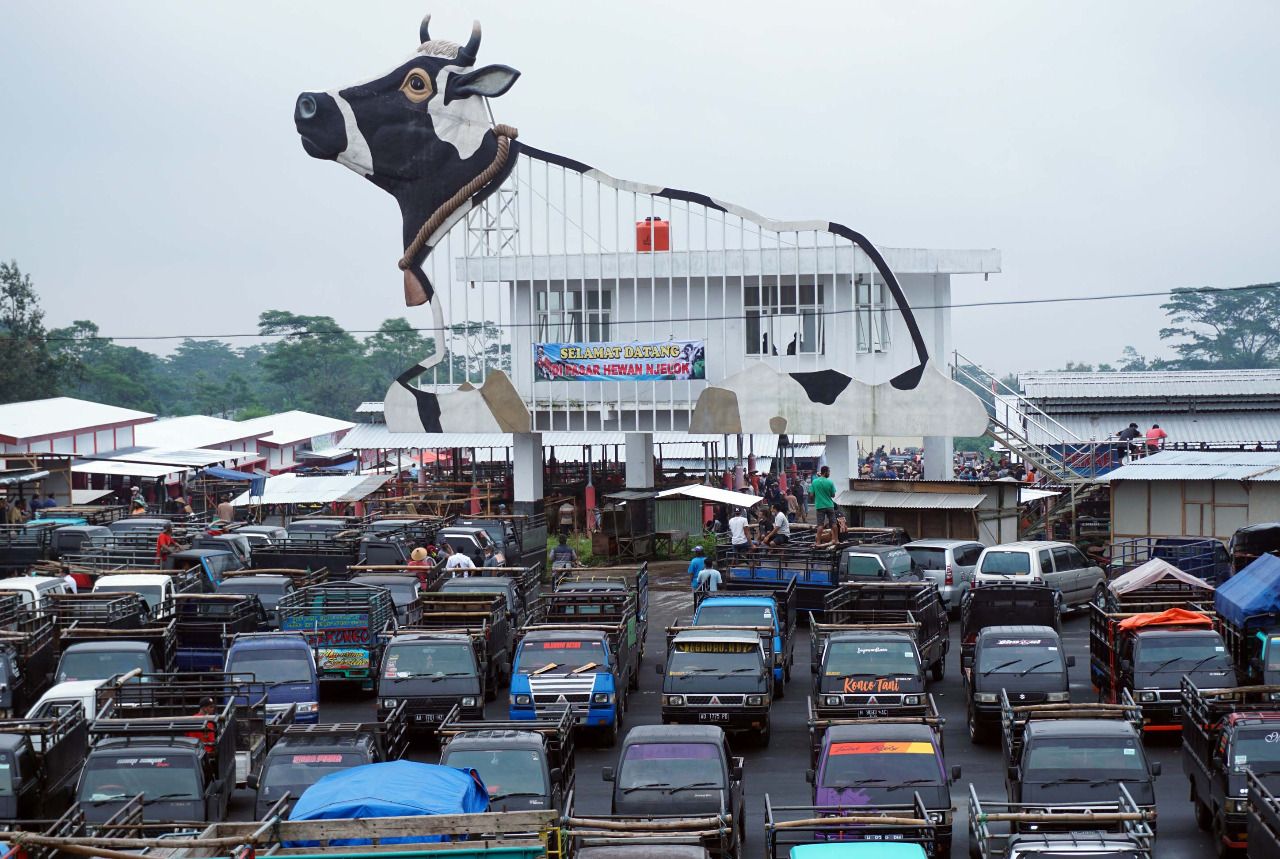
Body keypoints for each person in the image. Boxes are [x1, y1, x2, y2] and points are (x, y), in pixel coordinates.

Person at [811, 465, 837, 530]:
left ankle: (818, 537)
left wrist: (818, 495)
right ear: (825, 472)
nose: (829, 473)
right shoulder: (830, 482)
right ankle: (835, 537)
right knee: (833, 524)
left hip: (820, 506)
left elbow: (811, 495)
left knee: (820, 525)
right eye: (829, 472)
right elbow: (833, 495)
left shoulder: (814, 482)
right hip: (829, 505)